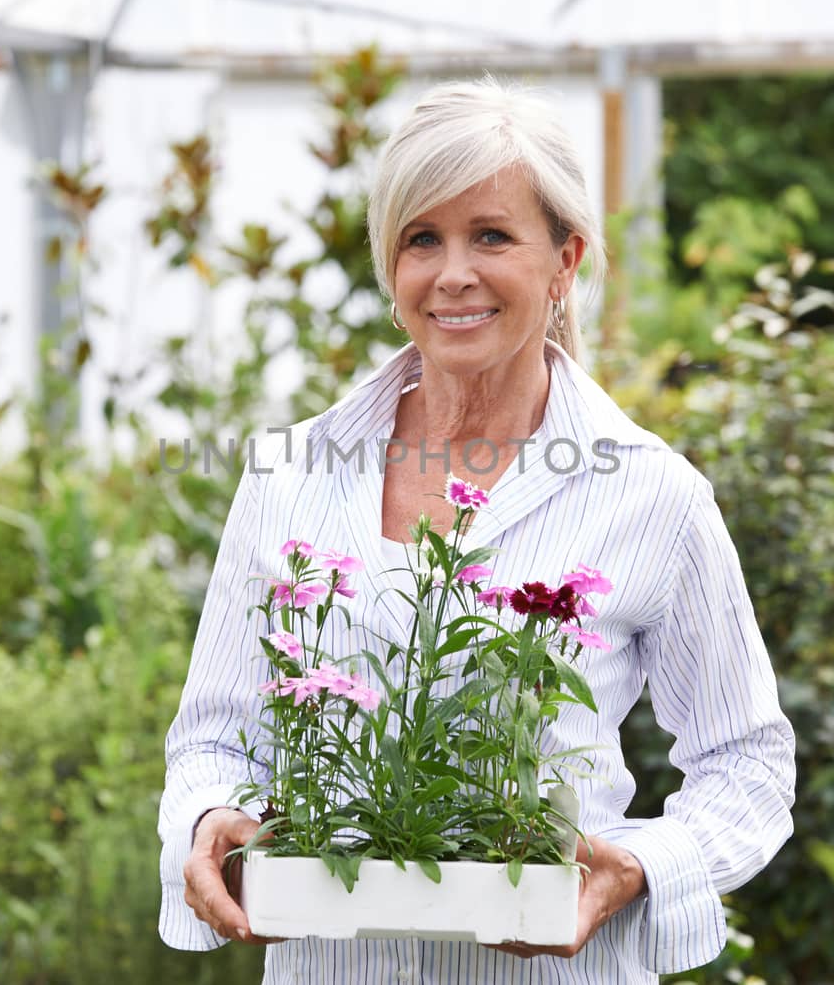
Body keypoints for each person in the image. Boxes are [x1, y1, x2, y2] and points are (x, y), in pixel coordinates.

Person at [158, 78, 795, 983]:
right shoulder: (290, 475)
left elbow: (749, 764)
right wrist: (207, 818)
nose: (452, 273)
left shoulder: (653, 494)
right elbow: (212, 737)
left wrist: (638, 867)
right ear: (391, 267)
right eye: (422, 239)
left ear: (564, 259)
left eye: (491, 235)